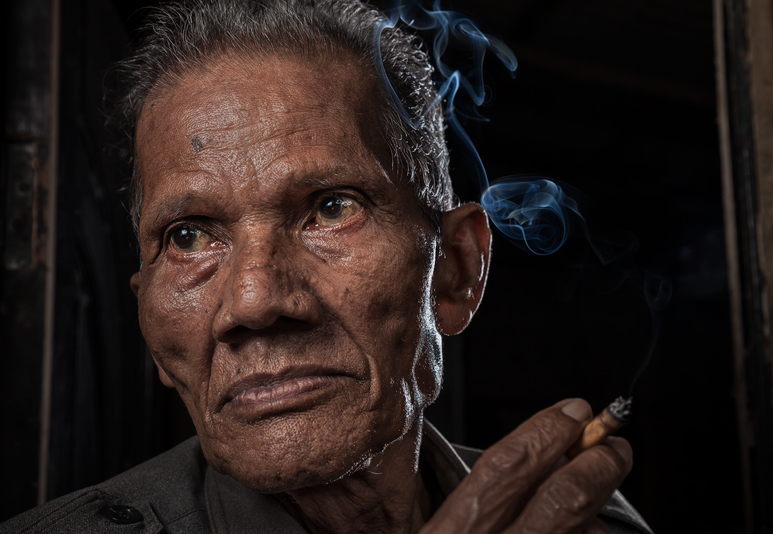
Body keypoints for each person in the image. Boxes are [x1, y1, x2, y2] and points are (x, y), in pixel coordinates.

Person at [2, 1, 652, 532]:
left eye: (332, 208)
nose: (255, 301)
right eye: (189, 237)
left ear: (456, 270)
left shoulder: (591, 524)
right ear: (152, 329)